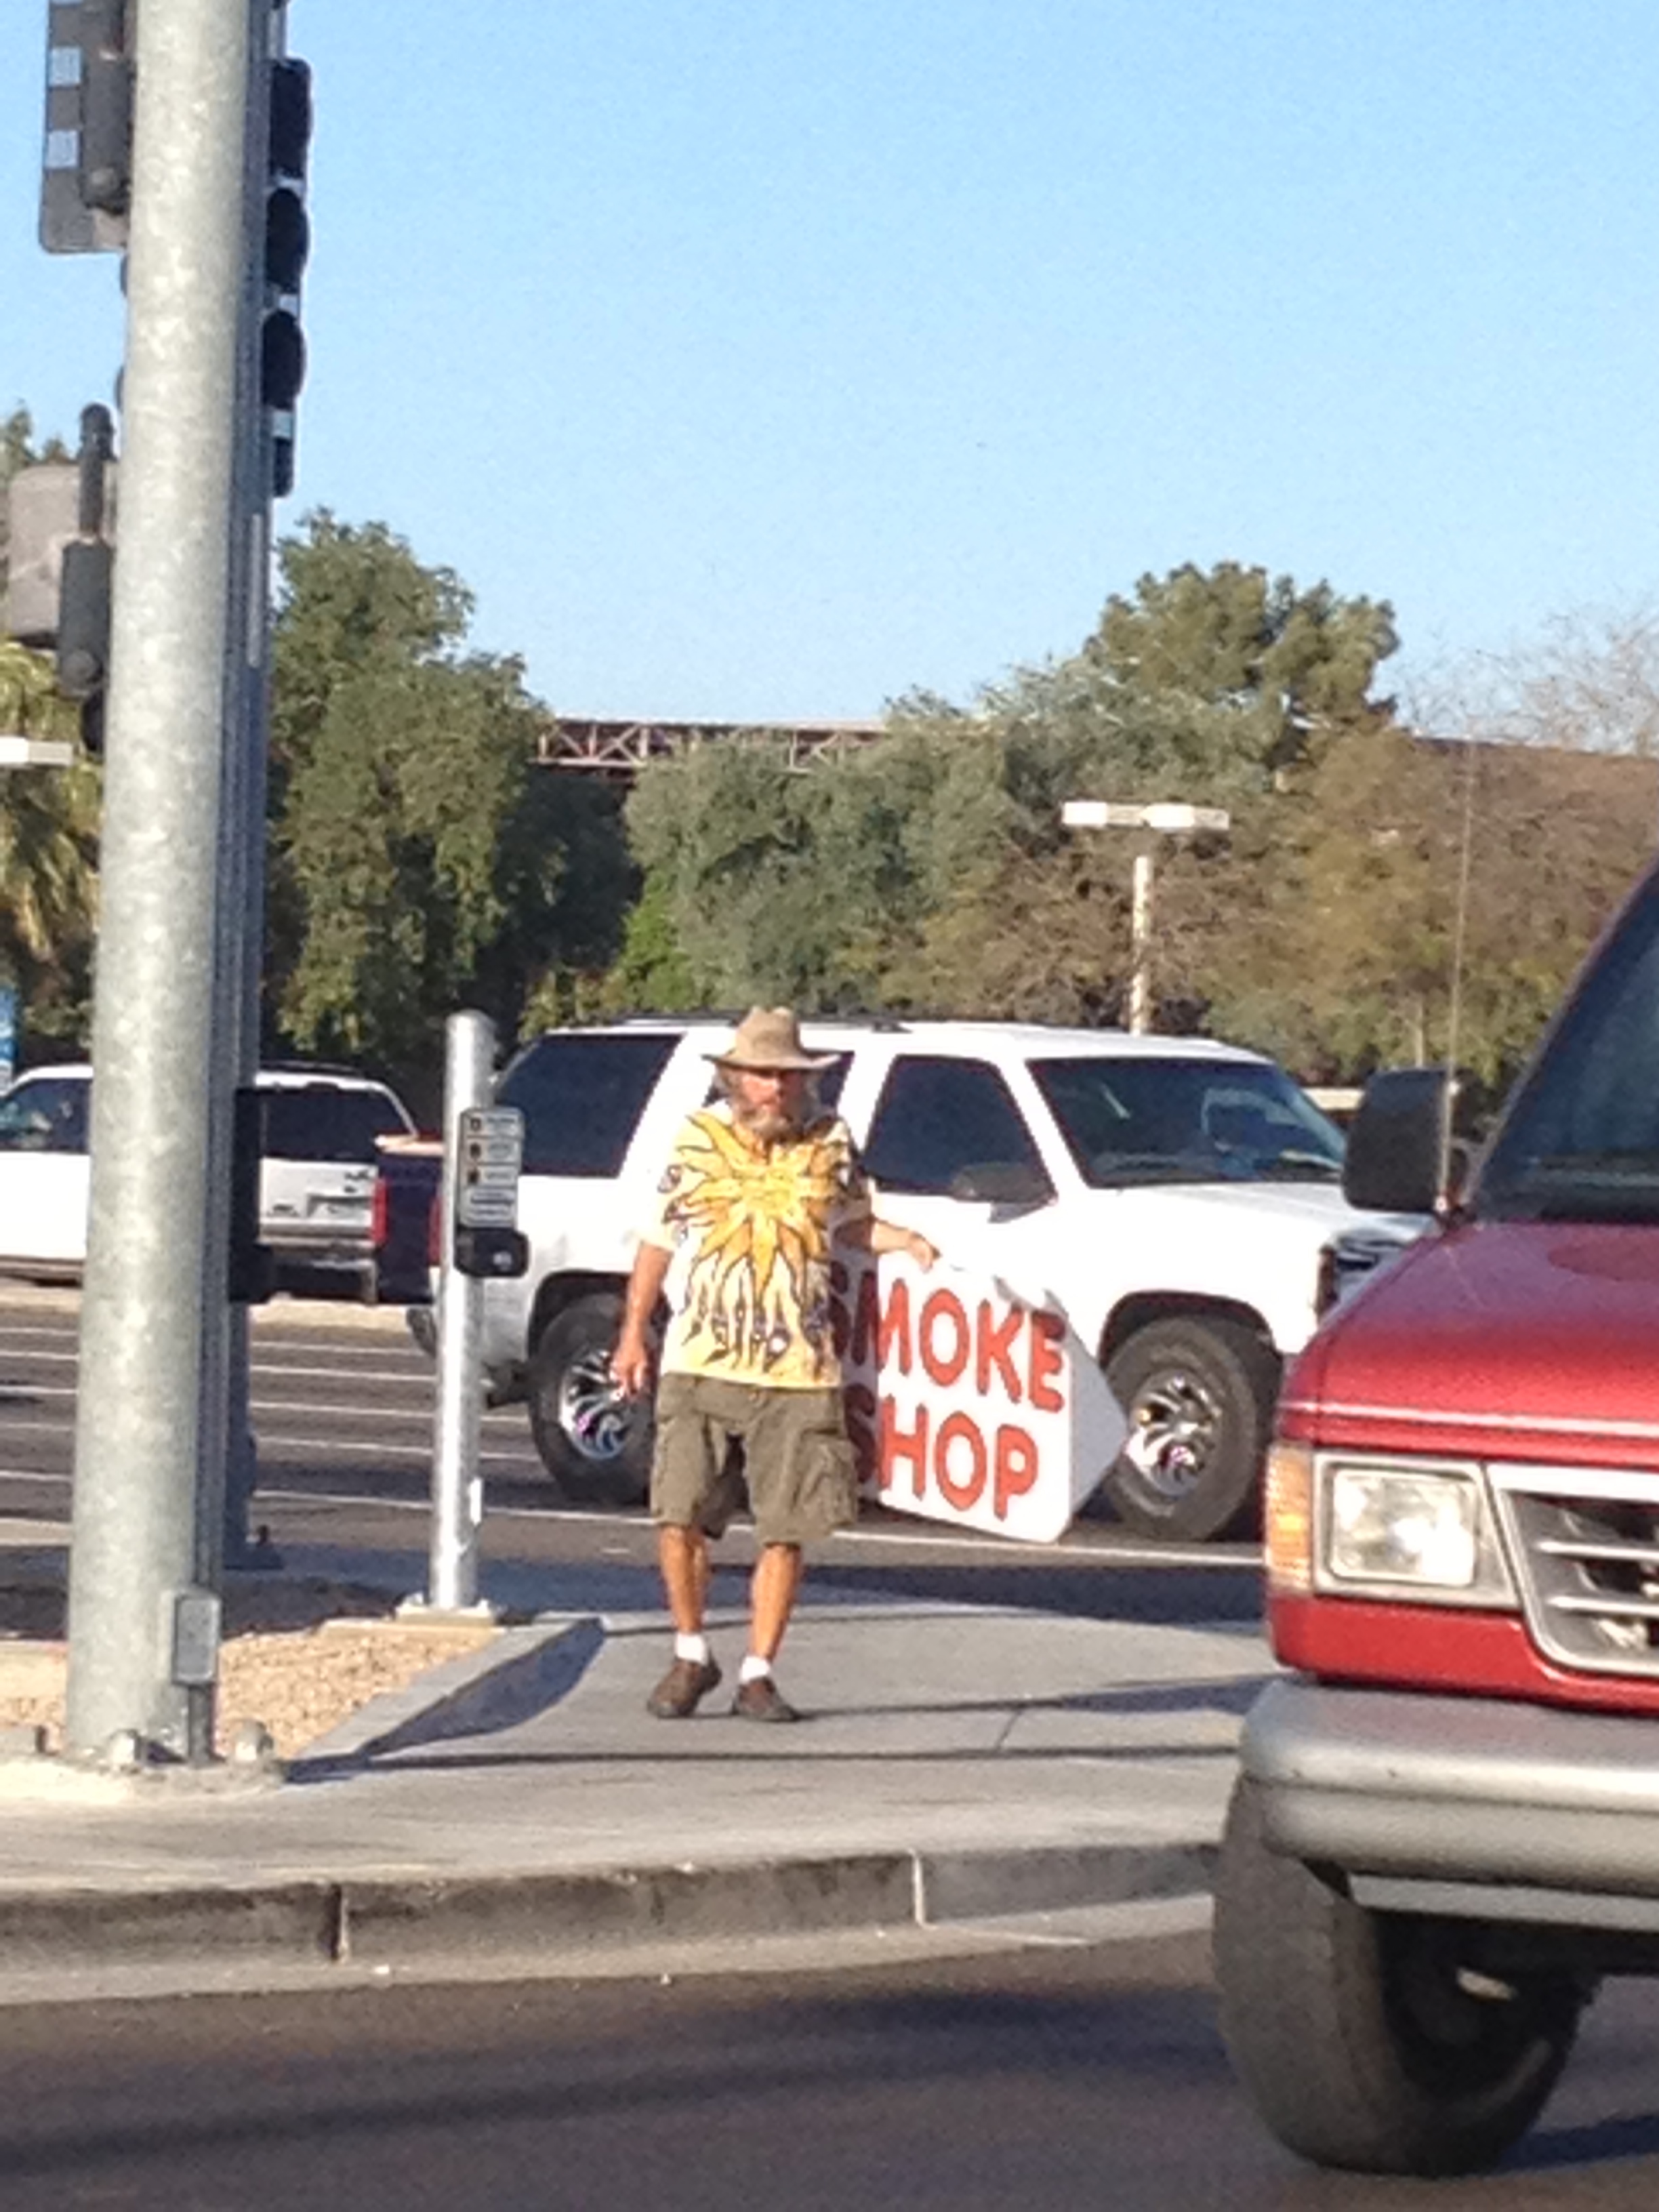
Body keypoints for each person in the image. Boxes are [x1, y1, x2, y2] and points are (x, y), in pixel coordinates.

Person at [612, 1005, 937, 1722]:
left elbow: (850, 1223)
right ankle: (691, 1652)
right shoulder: (697, 1140)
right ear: (735, 1078)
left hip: (798, 1369)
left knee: (786, 1528)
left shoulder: (829, 1143)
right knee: (678, 1515)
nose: (777, 1090)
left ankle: (759, 1672)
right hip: (703, 1359)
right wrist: (634, 1330)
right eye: (764, 1075)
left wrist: (907, 1240)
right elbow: (658, 1239)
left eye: (790, 1077)